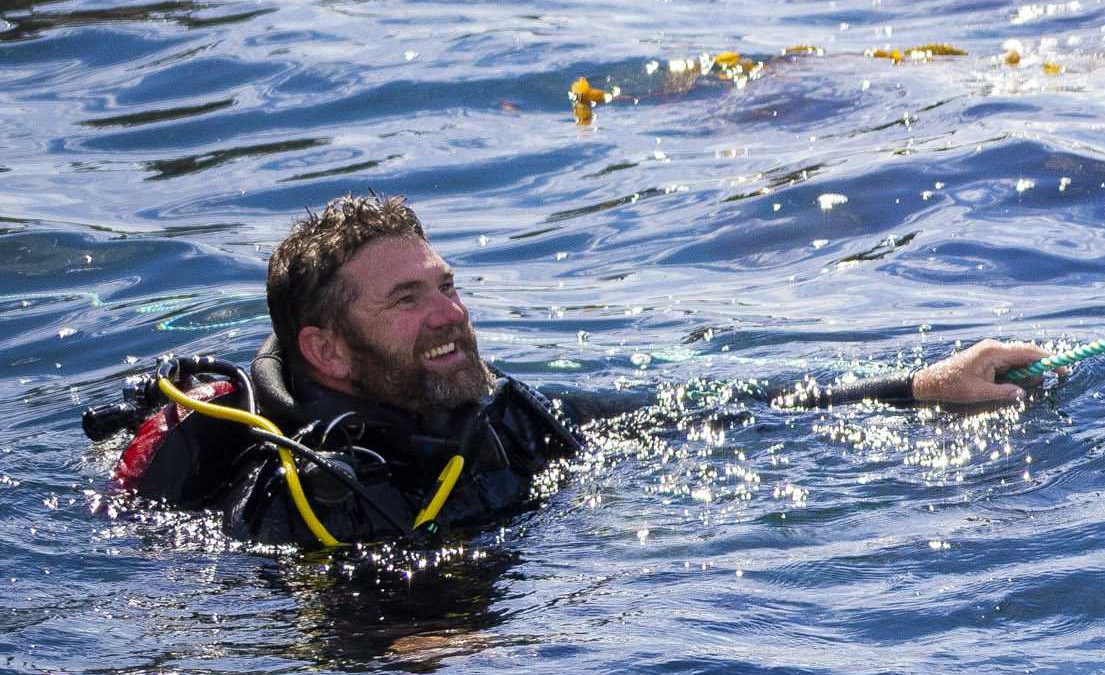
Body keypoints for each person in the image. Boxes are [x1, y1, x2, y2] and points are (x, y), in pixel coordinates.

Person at [95, 195, 1047, 556]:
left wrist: (919, 389)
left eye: (448, 285)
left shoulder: (491, 411)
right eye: (407, 300)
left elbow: (682, 415)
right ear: (327, 354)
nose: (452, 315)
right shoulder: (295, 499)